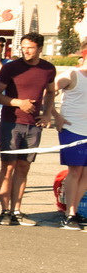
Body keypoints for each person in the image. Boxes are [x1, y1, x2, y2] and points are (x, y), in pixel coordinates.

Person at [0, 31, 55, 226]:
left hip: (34, 126)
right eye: (24, 47)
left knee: (24, 167)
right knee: (8, 166)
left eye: (30, 47)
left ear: (39, 49)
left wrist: (47, 114)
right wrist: (19, 102)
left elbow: (51, 92)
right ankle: (4, 211)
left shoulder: (48, 69)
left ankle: (16, 210)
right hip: (11, 123)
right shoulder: (11, 68)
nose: (26, 51)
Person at [47, 48, 87, 229]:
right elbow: (47, 91)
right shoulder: (72, 75)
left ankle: (74, 210)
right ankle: (69, 214)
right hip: (72, 129)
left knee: (86, 174)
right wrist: (55, 115)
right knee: (76, 171)